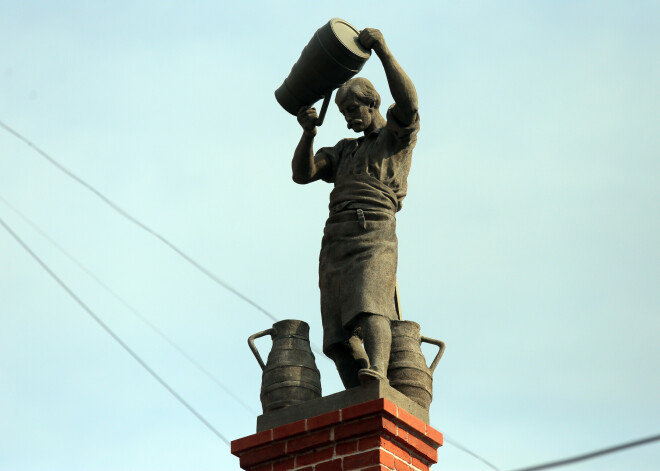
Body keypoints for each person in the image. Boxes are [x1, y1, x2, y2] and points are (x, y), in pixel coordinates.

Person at [291, 28, 419, 389]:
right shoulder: (345, 150)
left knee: (370, 305)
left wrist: (382, 50)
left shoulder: (395, 138)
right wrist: (309, 133)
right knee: (335, 336)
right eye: (344, 112)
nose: (348, 119)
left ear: (372, 104)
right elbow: (303, 174)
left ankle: (378, 369)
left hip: (373, 232)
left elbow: (409, 103)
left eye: (353, 110)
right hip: (336, 238)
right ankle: (358, 390)